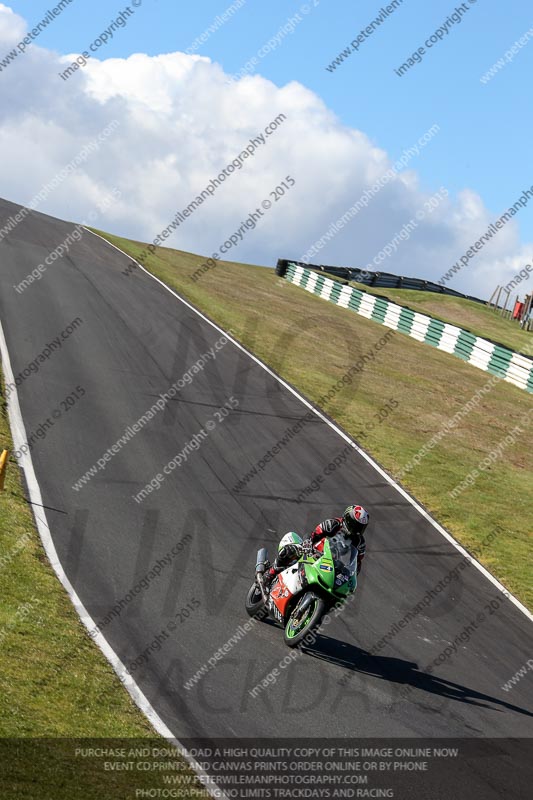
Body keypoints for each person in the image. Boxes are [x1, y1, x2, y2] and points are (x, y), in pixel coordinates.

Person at [262, 505, 369, 588]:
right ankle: (270, 573)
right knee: (290, 551)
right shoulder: (334, 524)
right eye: (354, 525)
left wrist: (350, 577)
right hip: (313, 553)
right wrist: (308, 544)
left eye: (360, 527)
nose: (356, 529)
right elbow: (314, 534)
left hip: (332, 567)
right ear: (347, 519)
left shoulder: (360, 543)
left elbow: (357, 565)